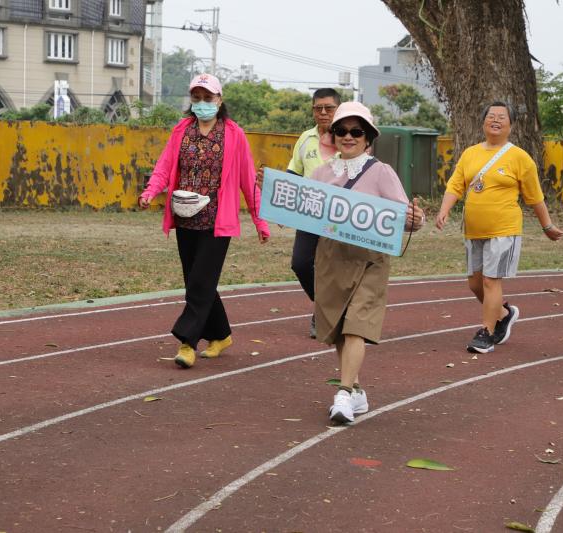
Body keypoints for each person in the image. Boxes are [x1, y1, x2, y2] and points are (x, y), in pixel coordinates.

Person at [138, 73, 270, 369]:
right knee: (197, 281)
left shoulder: (234, 135)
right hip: (185, 217)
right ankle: (221, 334)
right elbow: (164, 167)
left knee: (199, 281)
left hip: (216, 221)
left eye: (207, 98)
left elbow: (249, 182)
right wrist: (149, 192)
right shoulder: (181, 131)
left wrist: (260, 222)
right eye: (196, 98)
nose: (201, 104)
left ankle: (187, 342)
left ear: (219, 100)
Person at [310, 101, 425, 423]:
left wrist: (415, 219)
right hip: (331, 257)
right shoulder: (321, 174)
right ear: (334, 135)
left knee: (357, 326)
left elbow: (404, 215)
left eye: (356, 131)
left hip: (369, 259)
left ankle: (344, 393)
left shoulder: (381, 172)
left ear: (368, 136)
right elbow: (305, 212)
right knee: (337, 328)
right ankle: (356, 391)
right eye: (342, 130)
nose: (349, 137)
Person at [436, 101, 563, 354]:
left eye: (502, 117)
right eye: (491, 116)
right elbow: (455, 185)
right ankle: (504, 313)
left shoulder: (519, 157)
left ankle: (487, 332)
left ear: (511, 125)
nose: (495, 120)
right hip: (473, 230)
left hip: (504, 229)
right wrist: (444, 209)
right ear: (483, 122)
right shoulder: (470, 153)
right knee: (475, 284)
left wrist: (546, 225)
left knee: (491, 281)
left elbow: (534, 196)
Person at [258, 88, 341, 338]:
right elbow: (294, 175)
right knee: (301, 263)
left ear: (339, 108)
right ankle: (326, 307)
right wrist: (273, 185)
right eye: (318, 108)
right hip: (310, 213)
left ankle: (329, 314)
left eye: (329, 107)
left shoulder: (351, 136)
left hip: (340, 217)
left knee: (336, 268)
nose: (323, 112)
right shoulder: (306, 138)